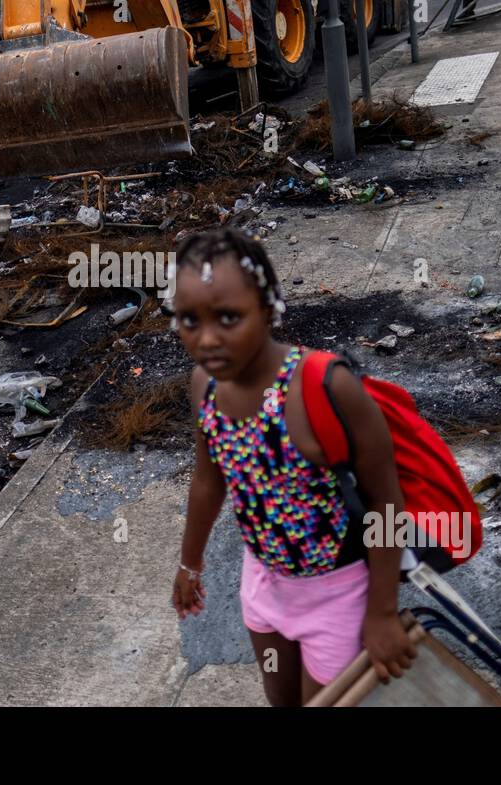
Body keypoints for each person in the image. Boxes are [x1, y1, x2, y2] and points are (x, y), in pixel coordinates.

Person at [168, 228, 414, 705]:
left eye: (227, 317)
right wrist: (189, 562)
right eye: (188, 321)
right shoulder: (205, 386)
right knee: (280, 699)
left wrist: (382, 612)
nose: (207, 339)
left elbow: (387, 502)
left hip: (337, 595)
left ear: (268, 307)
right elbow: (208, 479)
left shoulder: (325, 387)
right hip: (264, 584)